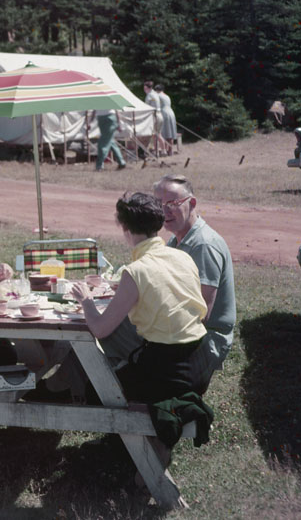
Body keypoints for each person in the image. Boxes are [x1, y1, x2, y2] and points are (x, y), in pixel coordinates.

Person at [71, 192, 207, 405]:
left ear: (125, 229)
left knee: (95, 389)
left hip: (168, 374)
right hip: (200, 365)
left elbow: (99, 329)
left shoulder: (136, 271)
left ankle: (120, 439)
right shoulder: (183, 257)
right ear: (158, 225)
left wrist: (86, 299)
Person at [153, 175, 236, 389]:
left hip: (205, 341)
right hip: (184, 331)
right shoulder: (176, 239)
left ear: (192, 204)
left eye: (172, 204)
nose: (164, 211)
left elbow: (200, 314)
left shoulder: (204, 246)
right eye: (159, 204)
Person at [143, 81, 168, 156]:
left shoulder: (149, 95)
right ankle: (163, 151)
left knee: (155, 135)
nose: (144, 90)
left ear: (148, 88)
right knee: (158, 134)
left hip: (155, 116)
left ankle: (157, 152)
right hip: (159, 115)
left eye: (145, 88)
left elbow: (146, 107)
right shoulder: (155, 94)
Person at [154, 84, 178, 152]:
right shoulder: (167, 96)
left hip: (164, 114)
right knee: (170, 133)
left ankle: (166, 150)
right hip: (171, 113)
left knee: (164, 133)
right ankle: (170, 150)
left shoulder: (158, 96)